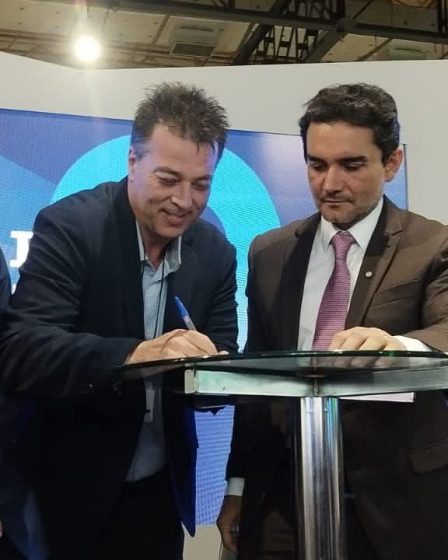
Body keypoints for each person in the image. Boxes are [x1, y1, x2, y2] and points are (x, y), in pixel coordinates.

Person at [0, 82, 238, 560]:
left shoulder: (215, 252)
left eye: (201, 184)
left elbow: (223, 355)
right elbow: (24, 348)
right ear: (132, 161)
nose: (184, 201)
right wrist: (139, 355)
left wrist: (217, 370)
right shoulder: (71, 226)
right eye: (168, 179)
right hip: (63, 490)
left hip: (158, 493)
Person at [217, 83, 448, 560]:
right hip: (281, 497)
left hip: (398, 505)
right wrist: (237, 483)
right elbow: (256, 378)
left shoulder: (432, 245)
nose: (330, 183)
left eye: (351, 165)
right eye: (317, 165)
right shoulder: (270, 253)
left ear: (392, 163)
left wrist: (397, 347)